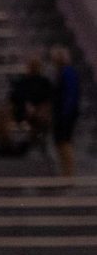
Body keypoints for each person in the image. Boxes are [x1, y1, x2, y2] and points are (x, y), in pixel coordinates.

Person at [0, 55, 53, 155]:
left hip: (37, 112)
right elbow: (13, 97)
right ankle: (7, 147)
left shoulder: (45, 82)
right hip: (20, 110)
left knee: (41, 121)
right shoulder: (22, 81)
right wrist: (24, 105)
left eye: (35, 65)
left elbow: (48, 100)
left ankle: (25, 147)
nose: (32, 67)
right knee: (2, 117)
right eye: (31, 65)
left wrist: (36, 109)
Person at [50, 44, 81, 178]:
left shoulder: (68, 72)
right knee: (60, 142)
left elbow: (71, 95)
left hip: (66, 113)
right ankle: (65, 172)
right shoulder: (62, 72)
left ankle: (69, 173)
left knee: (65, 142)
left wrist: (65, 113)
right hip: (61, 113)